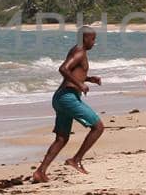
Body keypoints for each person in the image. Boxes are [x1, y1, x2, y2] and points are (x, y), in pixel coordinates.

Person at [32, 30, 104, 182]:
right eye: (93, 39)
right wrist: (80, 84)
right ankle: (75, 160)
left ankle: (40, 172)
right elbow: (63, 68)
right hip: (67, 97)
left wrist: (89, 79)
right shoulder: (79, 51)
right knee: (98, 127)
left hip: (61, 98)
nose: (94, 42)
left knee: (62, 138)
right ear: (85, 38)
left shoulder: (78, 51)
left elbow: (75, 72)